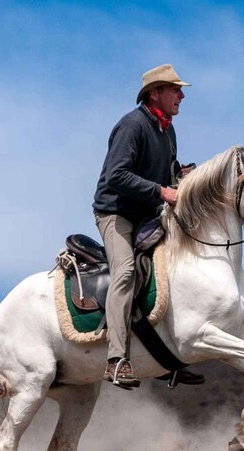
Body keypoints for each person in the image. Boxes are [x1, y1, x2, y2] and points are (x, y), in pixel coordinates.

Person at [92, 64, 201, 389]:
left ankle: (167, 356)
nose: (181, 95)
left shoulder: (167, 131)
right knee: (125, 271)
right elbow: (116, 175)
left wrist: (181, 176)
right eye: (175, 89)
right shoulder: (132, 125)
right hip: (116, 213)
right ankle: (115, 360)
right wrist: (162, 191)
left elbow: (165, 175)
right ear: (155, 93)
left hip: (147, 215)